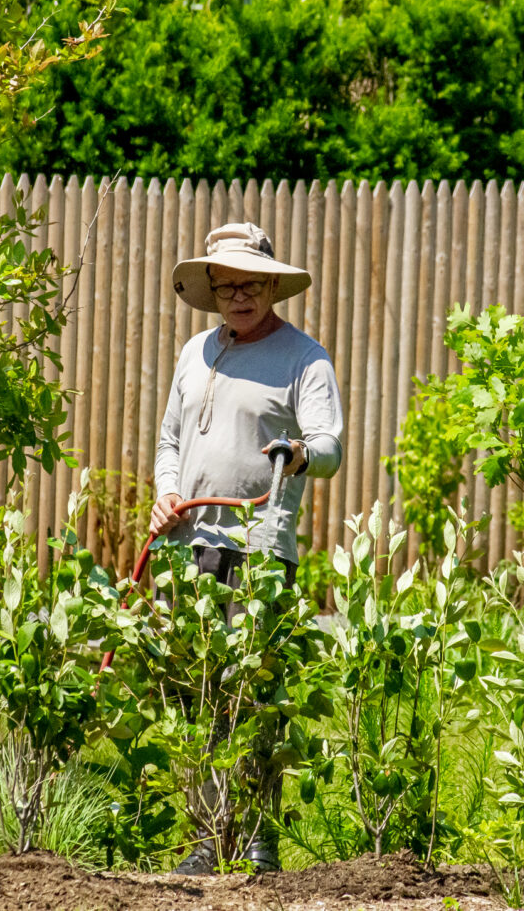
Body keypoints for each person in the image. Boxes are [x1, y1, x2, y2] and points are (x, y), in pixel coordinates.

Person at [151, 222, 344, 874]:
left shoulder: (305, 359)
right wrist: (166, 493)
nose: (240, 295)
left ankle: (260, 842)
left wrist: (296, 454)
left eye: (252, 284)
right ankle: (206, 841)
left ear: (272, 286)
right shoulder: (194, 352)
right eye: (228, 284)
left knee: (257, 695)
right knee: (200, 695)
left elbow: (330, 448)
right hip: (188, 549)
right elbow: (170, 442)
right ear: (212, 289)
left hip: (262, 552)